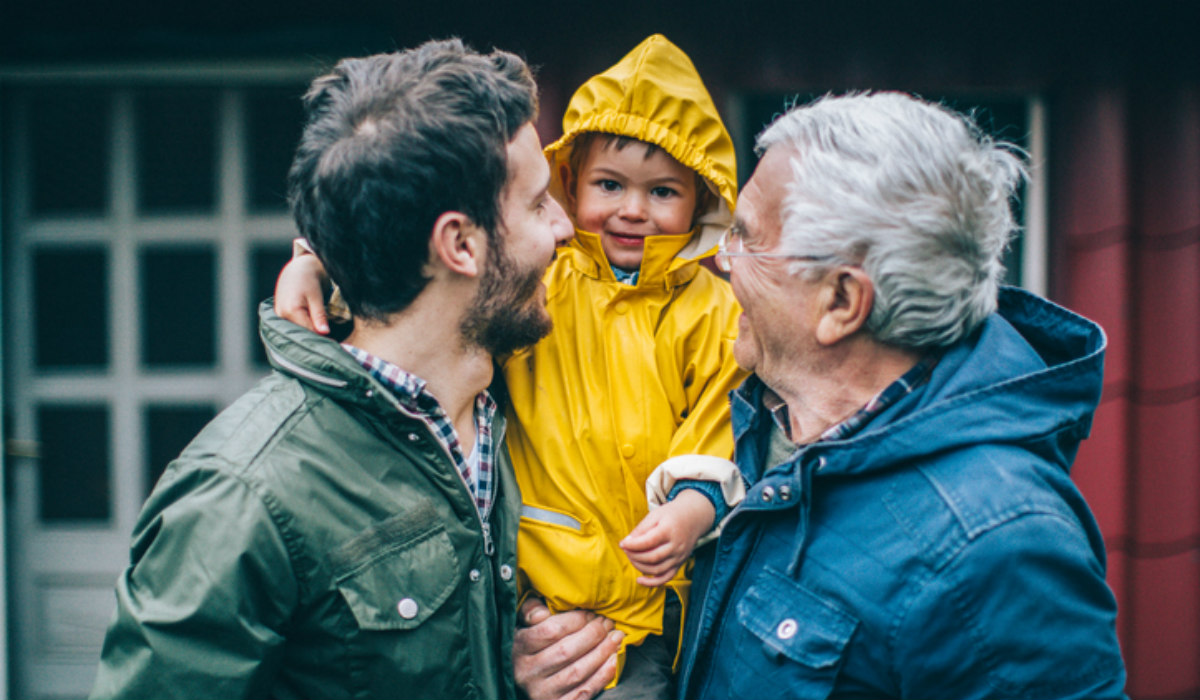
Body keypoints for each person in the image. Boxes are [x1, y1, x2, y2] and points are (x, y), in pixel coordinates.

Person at [521, 91, 1130, 700]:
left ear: (840, 302)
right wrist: (559, 650)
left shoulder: (996, 550)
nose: (723, 264)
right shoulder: (751, 420)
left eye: (746, 239)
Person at [89, 38, 597, 699]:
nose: (564, 227)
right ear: (460, 245)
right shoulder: (243, 497)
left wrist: (508, 675)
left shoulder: (501, 408)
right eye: (536, 204)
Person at [275, 34, 748, 698]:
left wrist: (695, 508)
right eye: (609, 185)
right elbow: (419, 286)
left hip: (649, 594)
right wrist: (320, 266)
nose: (633, 210)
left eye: (663, 192)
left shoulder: (708, 309)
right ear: (574, 179)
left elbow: (722, 416)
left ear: (700, 203)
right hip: (532, 576)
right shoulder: (544, 278)